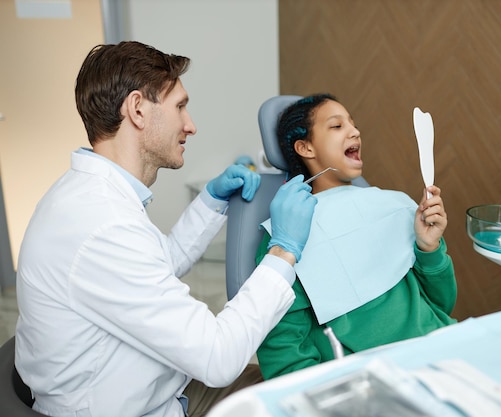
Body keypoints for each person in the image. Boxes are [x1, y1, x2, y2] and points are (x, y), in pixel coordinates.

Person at [14, 41, 317, 417]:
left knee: (294, 386)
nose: (190, 125)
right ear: (137, 109)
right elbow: (217, 357)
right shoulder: (102, 224)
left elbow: (159, 264)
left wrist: (210, 201)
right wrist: (283, 251)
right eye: (180, 107)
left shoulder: (89, 196)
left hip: (155, 392)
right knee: (302, 400)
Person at [255, 94, 457, 379]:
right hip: (374, 381)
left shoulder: (396, 206)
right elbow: (284, 346)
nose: (355, 132)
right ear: (305, 147)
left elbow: (441, 305)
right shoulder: (288, 233)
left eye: (354, 124)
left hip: (444, 351)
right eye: (337, 126)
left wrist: (429, 247)